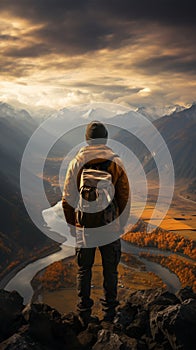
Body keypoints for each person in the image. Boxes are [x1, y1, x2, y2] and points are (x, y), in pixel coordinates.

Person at [62, 121, 130, 325]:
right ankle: (110, 313)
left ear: (87, 139)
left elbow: (67, 199)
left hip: (85, 227)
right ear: (106, 139)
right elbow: (124, 197)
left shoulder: (77, 162)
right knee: (111, 270)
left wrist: (73, 226)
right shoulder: (116, 162)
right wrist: (120, 224)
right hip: (110, 227)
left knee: (84, 269)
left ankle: (83, 314)